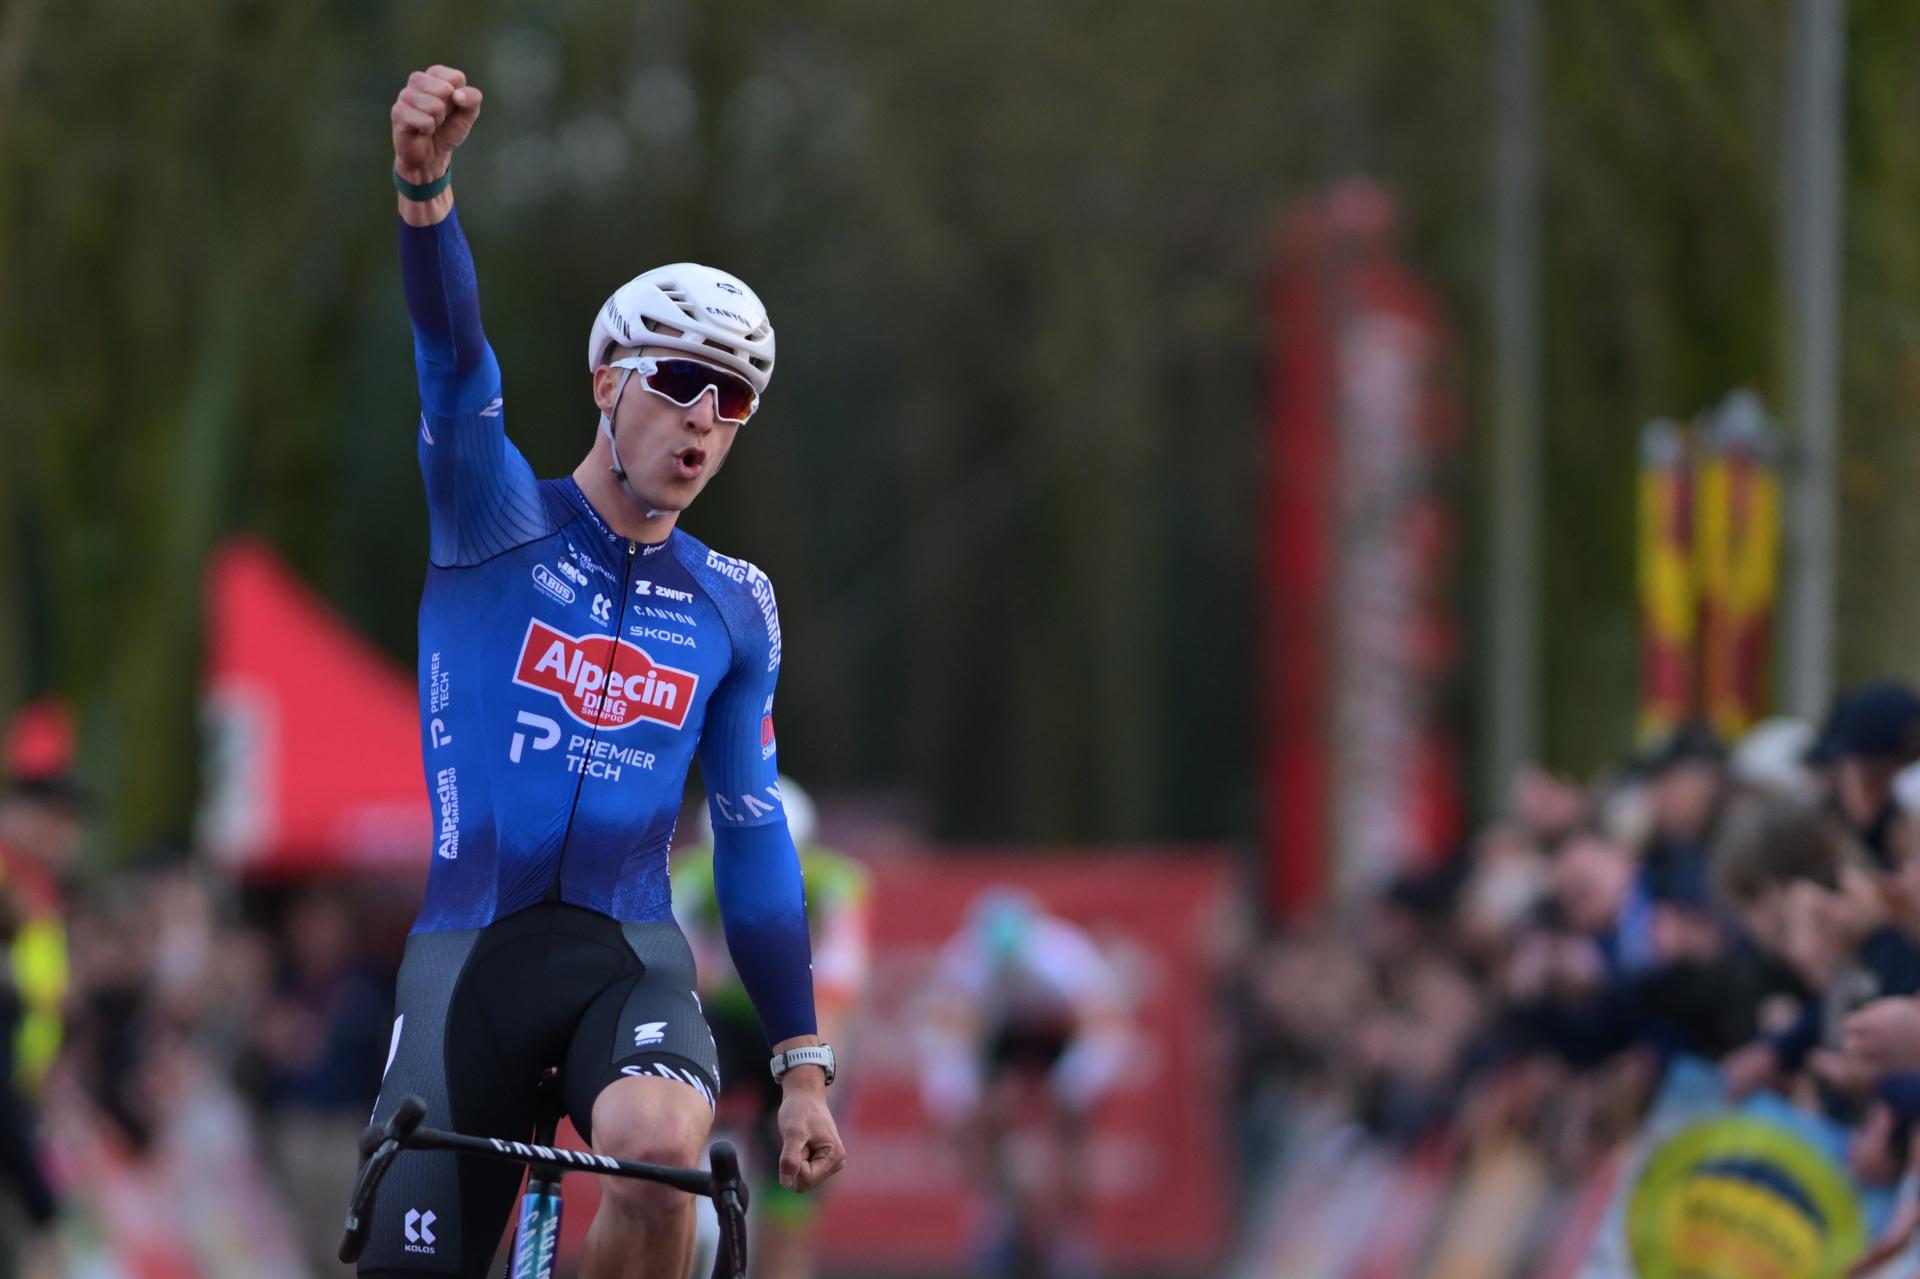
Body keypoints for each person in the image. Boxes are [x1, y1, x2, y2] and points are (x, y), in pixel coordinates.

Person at [360, 65, 844, 1279]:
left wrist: (800, 1065)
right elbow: (453, 357)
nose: (702, 420)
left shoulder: (735, 609)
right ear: (607, 380)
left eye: (732, 401)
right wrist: (427, 191)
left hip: (626, 961)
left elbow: (750, 841)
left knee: (662, 1150)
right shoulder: (491, 517)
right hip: (472, 948)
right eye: (679, 380)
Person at [671, 777, 870, 1279]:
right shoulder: (690, 877)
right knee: (675, 1112)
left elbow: (836, 999)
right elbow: (682, 984)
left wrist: (816, 1091)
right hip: (727, 1016)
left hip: (804, 1022)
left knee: (797, 1187)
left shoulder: (837, 884)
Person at [919, 888, 1129, 1279]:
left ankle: (1072, 1236)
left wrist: (1071, 1086)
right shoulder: (965, 961)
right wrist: (961, 1101)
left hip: (1058, 1037)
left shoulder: (1066, 957)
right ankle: (994, 1219)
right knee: (979, 1124)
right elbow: (948, 1045)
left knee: (1073, 1127)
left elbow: (1104, 1029)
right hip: (998, 1039)